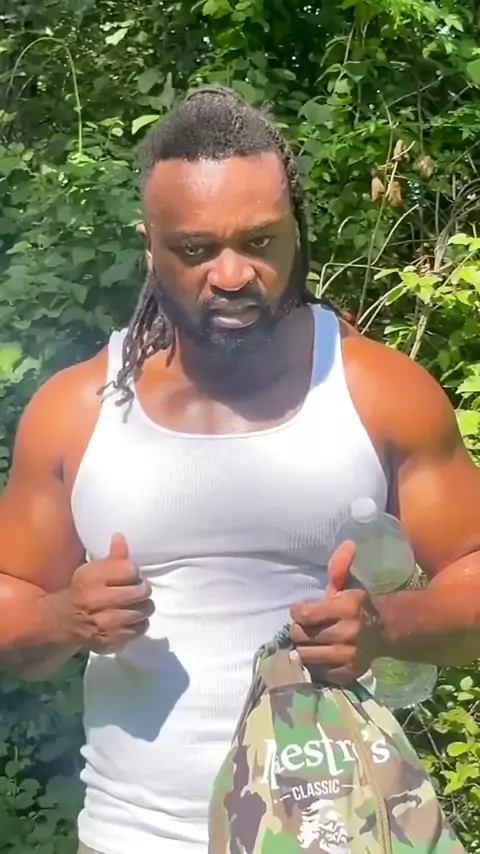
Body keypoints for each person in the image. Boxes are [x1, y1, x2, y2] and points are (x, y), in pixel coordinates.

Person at [0, 85, 479, 854]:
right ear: (150, 246)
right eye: (196, 250)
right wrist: (63, 618)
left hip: (338, 835)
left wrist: (389, 626)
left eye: (260, 241)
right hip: (133, 839)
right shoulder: (75, 411)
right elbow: (11, 603)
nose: (232, 274)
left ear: (296, 232)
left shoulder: (379, 392)